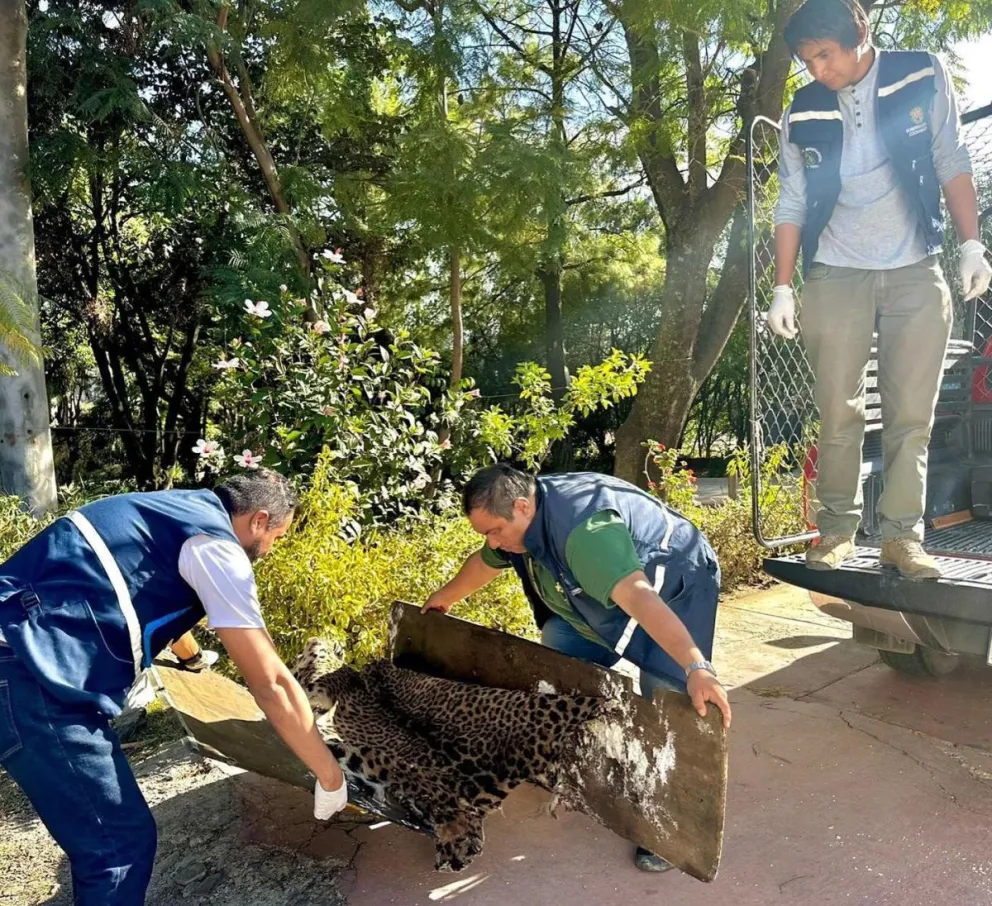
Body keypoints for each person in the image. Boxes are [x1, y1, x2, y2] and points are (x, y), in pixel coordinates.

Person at [0, 471, 348, 906]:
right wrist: (331, 776)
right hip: (32, 678)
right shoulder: (217, 546)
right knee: (118, 847)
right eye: (278, 535)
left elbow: (142, 590)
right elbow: (272, 681)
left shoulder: (160, 511)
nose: (273, 547)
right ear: (260, 520)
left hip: (15, 653)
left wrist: (192, 660)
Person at [768, 0, 992, 578]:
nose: (819, 70)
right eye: (806, 60)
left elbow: (950, 156)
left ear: (859, 33)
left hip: (916, 267)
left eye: (826, 55)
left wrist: (971, 245)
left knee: (910, 415)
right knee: (838, 412)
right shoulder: (804, 107)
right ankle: (836, 530)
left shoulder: (919, 72)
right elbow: (791, 200)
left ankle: (902, 538)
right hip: (834, 272)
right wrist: (783, 287)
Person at [423, 464, 730, 873]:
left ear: (521, 507)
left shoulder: (585, 536)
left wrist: (696, 666)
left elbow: (640, 599)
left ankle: (670, 828)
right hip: (596, 595)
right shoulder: (519, 517)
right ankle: (583, 759)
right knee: (559, 651)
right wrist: (444, 598)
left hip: (671, 585)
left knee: (668, 703)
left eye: (495, 530)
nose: (493, 541)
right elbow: (484, 562)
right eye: (486, 534)